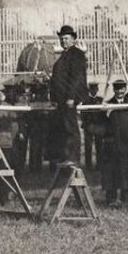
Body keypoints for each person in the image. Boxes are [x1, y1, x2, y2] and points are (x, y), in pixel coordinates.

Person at [48, 25, 89, 168]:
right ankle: (65, 156)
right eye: (61, 38)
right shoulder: (64, 56)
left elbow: (76, 77)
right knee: (62, 128)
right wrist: (53, 98)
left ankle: (73, 156)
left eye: (66, 38)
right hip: (61, 100)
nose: (63, 41)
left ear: (73, 40)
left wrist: (72, 97)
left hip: (69, 99)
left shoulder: (76, 54)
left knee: (71, 127)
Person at [99, 79, 128, 207]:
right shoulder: (107, 105)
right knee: (111, 171)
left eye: (122, 89)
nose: (119, 91)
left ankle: (126, 198)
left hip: (127, 143)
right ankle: (111, 199)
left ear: (125, 90)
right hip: (112, 143)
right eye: (117, 89)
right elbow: (101, 124)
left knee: (126, 170)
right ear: (114, 90)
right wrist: (105, 113)